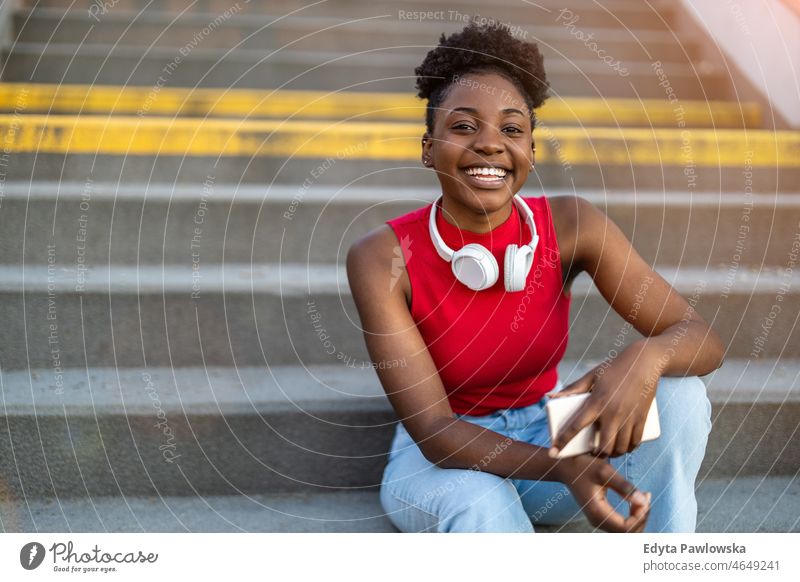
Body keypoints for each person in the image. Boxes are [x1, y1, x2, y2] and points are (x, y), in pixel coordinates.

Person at [346, 22, 724, 533]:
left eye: (511, 129)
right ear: (428, 147)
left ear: (530, 149)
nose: (490, 145)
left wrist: (645, 356)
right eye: (463, 127)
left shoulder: (572, 225)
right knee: (483, 505)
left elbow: (703, 339)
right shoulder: (382, 256)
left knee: (680, 395)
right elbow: (435, 431)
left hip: (547, 425)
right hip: (445, 457)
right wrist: (562, 468)